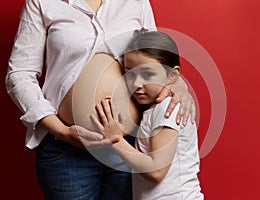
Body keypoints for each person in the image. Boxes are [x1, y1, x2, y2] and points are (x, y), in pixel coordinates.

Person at [5, 0, 196, 199]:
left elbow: (154, 55)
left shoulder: (136, 2)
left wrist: (177, 84)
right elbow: (19, 74)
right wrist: (61, 131)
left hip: (130, 145)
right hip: (67, 149)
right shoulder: (43, 3)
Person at [91, 29, 204, 199]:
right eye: (130, 73)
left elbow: (156, 171)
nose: (137, 83)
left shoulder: (167, 108)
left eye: (147, 74)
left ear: (172, 75)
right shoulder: (153, 109)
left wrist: (116, 139)